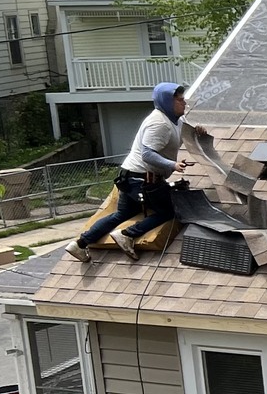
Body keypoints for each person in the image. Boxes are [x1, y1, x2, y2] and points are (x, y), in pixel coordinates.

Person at [67, 83, 189, 261]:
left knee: (122, 214)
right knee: (169, 211)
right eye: (179, 100)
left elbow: (184, 131)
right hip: (141, 179)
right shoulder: (159, 124)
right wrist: (172, 165)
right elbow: (147, 154)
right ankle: (128, 235)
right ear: (167, 102)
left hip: (129, 175)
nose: (184, 103)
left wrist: (198, 131)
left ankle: (79, 244)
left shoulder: (175, 119)